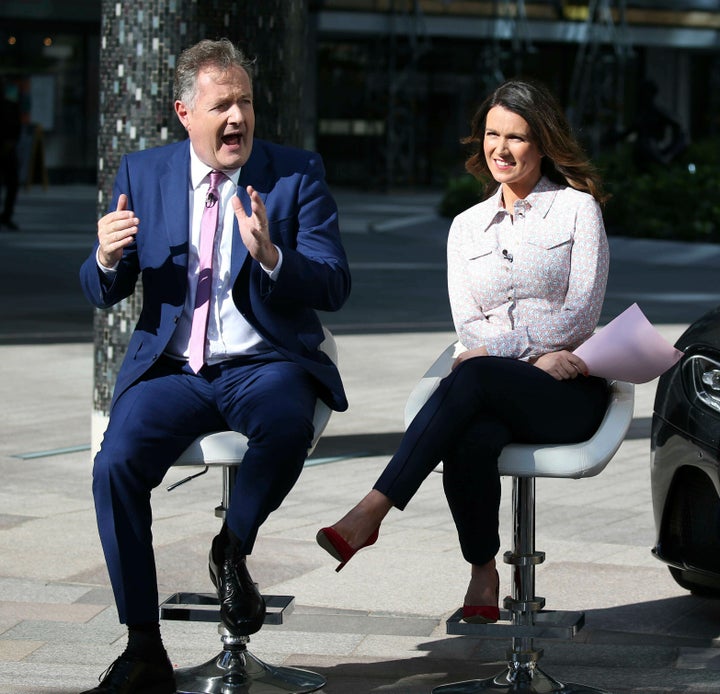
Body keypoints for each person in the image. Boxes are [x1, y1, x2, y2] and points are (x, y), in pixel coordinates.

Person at [79, 38, 350, 694]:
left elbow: (334, 283)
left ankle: (232, 546)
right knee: (114, 466)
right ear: (184, 111)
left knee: (287, 424)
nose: (237, 118)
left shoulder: (295, 173)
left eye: (246, 103)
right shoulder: (142, 174)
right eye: (222, 104)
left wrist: (272, 256)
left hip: (263, 362)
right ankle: (144, 646)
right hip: (174, 371)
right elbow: (100, 289)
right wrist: (108, 260)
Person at [317, 78, 609, 623]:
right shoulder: (465, 228)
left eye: (516, 137)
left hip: (567, 391)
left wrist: (523, 353)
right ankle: (482, 569)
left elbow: (581, 315)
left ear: (543, 143)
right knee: (470, 435)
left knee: (470, 377)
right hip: (497, 389)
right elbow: (468, 327)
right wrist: (525, 352)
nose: (501, 148)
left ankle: (371, 512)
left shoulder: (577, 210)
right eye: (492, 135)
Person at [0, 76, 21, 231]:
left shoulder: (10, 106)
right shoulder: (10, 105)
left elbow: (16, 127)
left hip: (8, 150)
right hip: (8, 149)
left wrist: (11, 142)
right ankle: (6, 216)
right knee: (11, 184)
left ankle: (7, 215)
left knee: (12, 184)